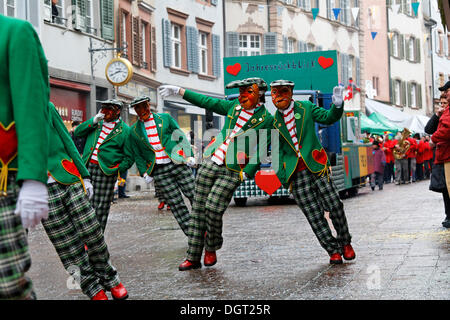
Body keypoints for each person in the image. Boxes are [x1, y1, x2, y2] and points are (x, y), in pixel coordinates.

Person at [159, 78, 274, 271]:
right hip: (211, 160)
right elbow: (206, 101)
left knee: (213, 208)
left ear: (259, 94)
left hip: (232, 170)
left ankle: (212, 246)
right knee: (197, 211)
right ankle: (193, 257)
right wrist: (180, 91)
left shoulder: (267, 120)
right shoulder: (234, 107)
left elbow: (261, 150)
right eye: (241, 91)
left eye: (247, 92)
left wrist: (247, 173)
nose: (242, 95)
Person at [43, 102, 128, 300]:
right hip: (37, 187)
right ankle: (92, 288)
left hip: (67, 175)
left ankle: (110, 278)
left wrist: (85, 175)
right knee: (66, 245)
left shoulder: (45, 105)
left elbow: (68, 140)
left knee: (92, 231)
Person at [269, 80, 355, 265]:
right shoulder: (273, 122)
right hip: (295, 175)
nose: (279, 96)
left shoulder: (306, 107)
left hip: (316, 166)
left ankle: (345, 242)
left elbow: (329, 117)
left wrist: (337, 105)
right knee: (314, 216)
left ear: (290, 92)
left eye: (283, 91)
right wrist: (285, 180)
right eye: (275, 93)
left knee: (335, 205)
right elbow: (275, 154)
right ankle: (332, 250)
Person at [0, 15, 50, 300]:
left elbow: (31, 105)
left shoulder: (14, 32)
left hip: (3, 179)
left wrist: (33, 179)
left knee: (7, 286)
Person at [125, 96, 196, 235]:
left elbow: (179, 135)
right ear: (135, 110)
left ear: (148, 104)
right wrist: (144, 173)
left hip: (178, 163)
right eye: (138, 108)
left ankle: (202, 228)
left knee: (195, 195)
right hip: (159, 171)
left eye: (144, 106)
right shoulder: (133, 131)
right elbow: (137, 154)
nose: (142, 110)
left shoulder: (165, 118)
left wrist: (189, 154)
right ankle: (192, 235)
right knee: (176, 204)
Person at [74, 100, 133, 232]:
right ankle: (83, 237)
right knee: (82, 204)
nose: (104, 111)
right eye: (103, 108)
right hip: (87, 168)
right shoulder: (96, 123)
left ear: (117, 111)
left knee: (100, 207)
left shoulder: (125, 131)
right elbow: (77, 132)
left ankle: (96, 240)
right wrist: (94, 120)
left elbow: (129, 157)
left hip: (106, 172)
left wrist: (116, 169)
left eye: (108, 108)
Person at [425, 84, 450, 229]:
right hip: (441, 155)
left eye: (445, 102)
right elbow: (428, 129)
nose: (443, 104)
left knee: (447, 186)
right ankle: (448, 214)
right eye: (441, 103)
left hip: (445, 153)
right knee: (444, 187)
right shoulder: (442, 113)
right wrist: (436, 115)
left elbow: (445, 130)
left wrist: (433, 140)